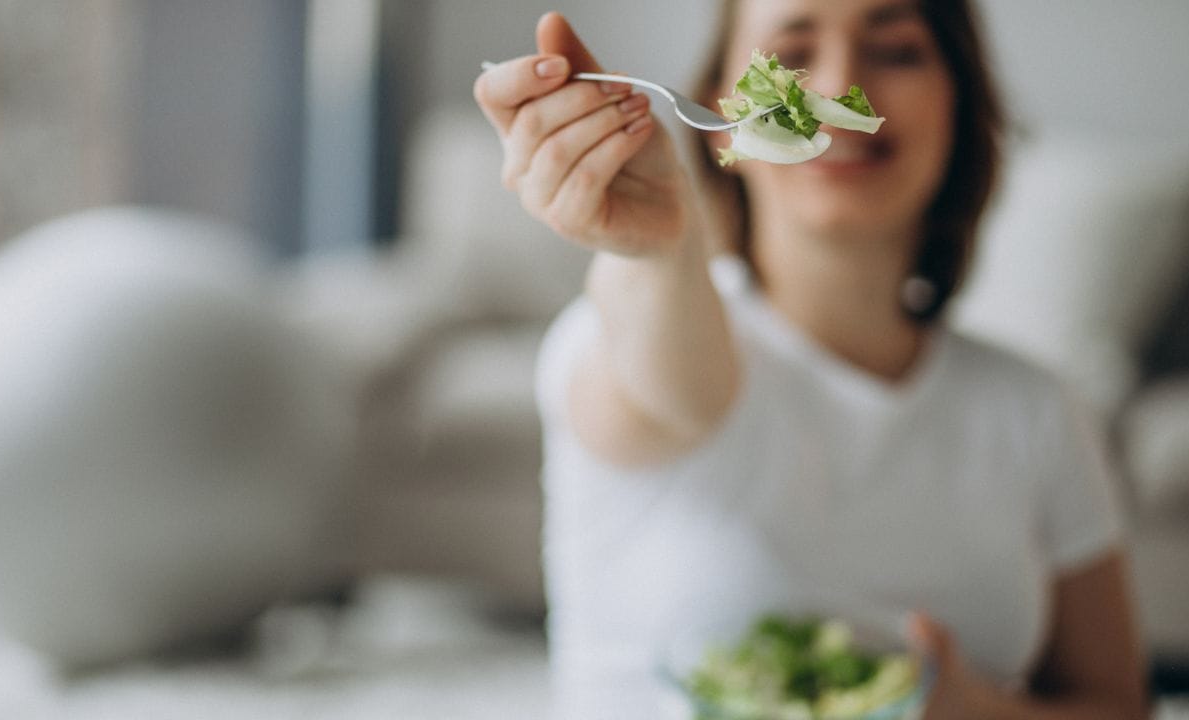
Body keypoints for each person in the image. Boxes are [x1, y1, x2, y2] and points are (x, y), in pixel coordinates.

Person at [474, 2, 1147, 718]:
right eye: (791, 52)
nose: (836, 86)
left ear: (960, 100)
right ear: (722, 107)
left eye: (897, 52)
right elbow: (680, 391)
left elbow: (1118, 704)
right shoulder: (619, 335)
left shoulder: (1039, 411)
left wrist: (979, 712)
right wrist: (659, 254)